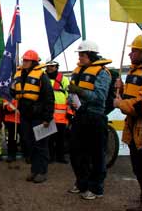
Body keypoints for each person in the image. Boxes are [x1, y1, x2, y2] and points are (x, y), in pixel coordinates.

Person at [67, 40, 111, 200]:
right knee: (76, 152)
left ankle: (96, 188)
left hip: (95, 117)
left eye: (83, 54)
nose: (80, 57)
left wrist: (80, 91)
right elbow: (73, 93)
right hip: (79, 116)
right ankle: (82, 183)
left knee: (97, 154)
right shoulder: (77, 71)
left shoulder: (102, 73)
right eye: (79, 54)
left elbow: (100, 97)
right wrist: (70, 99)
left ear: (91, 55)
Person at [11, 50, 54, 184]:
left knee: (41, 145)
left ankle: (42, 172)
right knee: (30, 144)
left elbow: (49, 98)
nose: (24, 63)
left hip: (39, 116)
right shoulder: (18, 75)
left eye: (27, 61)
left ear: (34, 62)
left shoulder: (42, 76)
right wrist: (12, 90)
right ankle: (35, 170)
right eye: (24, 60)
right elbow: (14, 93)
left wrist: (47, 118)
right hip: (25, 115)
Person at [114, 35, 142, 210]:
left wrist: (120, 104)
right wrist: (121, 89)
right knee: (138, 168)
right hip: (133, 128)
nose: (130, 54)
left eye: (134, 51)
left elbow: (140, 106)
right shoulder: (132, 72)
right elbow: (131, 97)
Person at [45, 60, 71, 164]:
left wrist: (70, 112)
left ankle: (60, 157)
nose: (50, 68)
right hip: (49, 115)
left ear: (56, 67)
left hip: (62, 116)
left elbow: (70, 97)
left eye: (52, 66)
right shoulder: (44, 78)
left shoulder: (64, 80)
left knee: (61, 138)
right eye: (49, 66)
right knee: (49, 138)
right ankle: (50, 157)